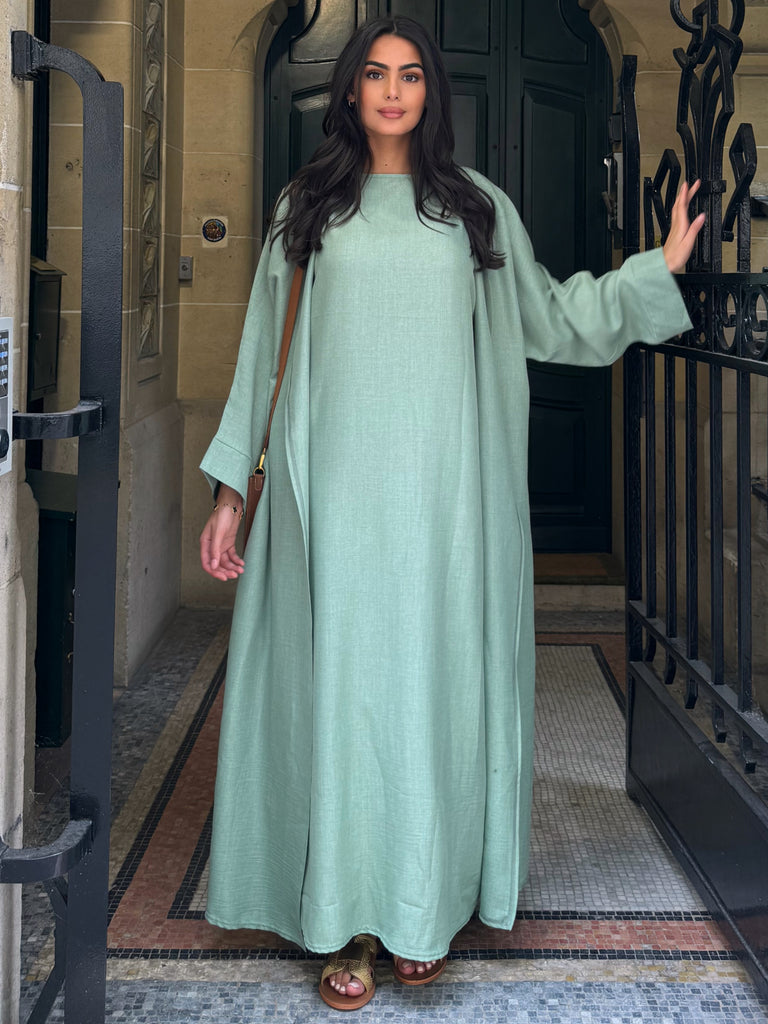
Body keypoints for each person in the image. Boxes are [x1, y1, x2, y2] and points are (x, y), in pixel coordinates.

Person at [199, 14, 703, 1012]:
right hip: (332, 511)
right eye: (375, 74)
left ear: (431, 92)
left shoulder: (476, 210)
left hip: (445, 515)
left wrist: (658, 270)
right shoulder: (308, 208)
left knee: (428, 704)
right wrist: (231, 496)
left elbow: (551, 317)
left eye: (411, 75)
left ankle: (419, 906)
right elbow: (263, 356)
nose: (393, 90)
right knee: (343, 706)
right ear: (350, 91)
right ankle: (348, 920)